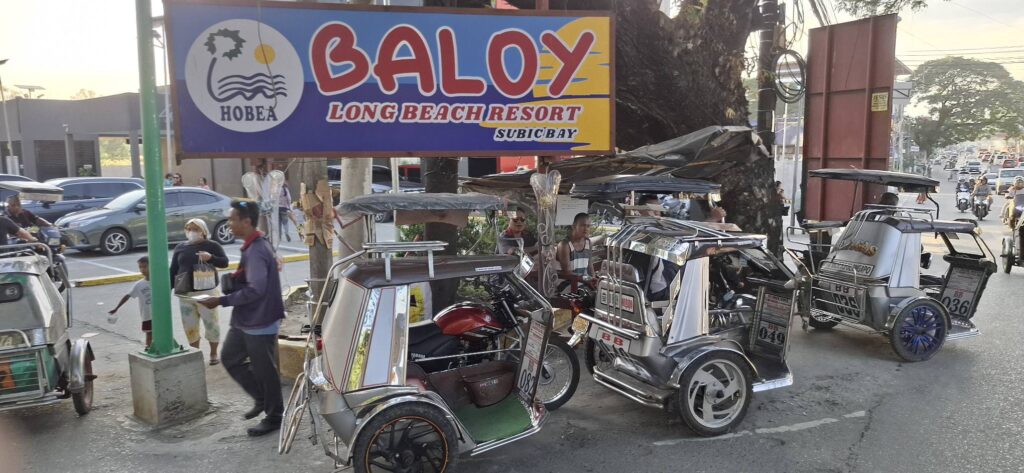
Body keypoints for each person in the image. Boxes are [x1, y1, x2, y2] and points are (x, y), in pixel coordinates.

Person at [199, 200, 285, 437]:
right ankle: (261, 398)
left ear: (246, 222)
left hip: (260, 320)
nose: (229, 223)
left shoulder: (257, 249)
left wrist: (221, 300)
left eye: (232, 219)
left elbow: (256, 289)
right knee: (230, 357)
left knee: (265, 370)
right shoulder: (252, 245)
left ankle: (274, 416)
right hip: (246, 318)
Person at [170, 219, 229, 365]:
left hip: (207, 293)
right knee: (190, 326)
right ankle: (196, 354)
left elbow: (224, 262)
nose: (192, 232)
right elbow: (173, 269)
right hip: (185, 294)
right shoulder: (180, 247)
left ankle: (213, 353)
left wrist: (211, 257)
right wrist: (168, 288)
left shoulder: (212, 245)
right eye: (189, 229)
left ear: (203, 231)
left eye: (196, 229)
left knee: (211, 324)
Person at [108, 256, 153, 348]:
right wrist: (116, 308)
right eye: (140, 267)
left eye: (145, 267)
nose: (142, 270)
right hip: (147, 315)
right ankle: (148, 349)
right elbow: (127, 296)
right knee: (149, 334)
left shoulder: (159, 281)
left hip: (159, 315)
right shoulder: (139, 284)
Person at [556, 213, 596, 292]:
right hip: (568, 284)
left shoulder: (588, 242)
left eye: (588, 226)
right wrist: (587, 280)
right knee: (590, 296)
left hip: (584, 282)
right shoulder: (565, 245)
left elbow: (590, 266)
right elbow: (567, 273)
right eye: (582, 225)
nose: (586, 229)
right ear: (573, 226)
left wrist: (594, 280)